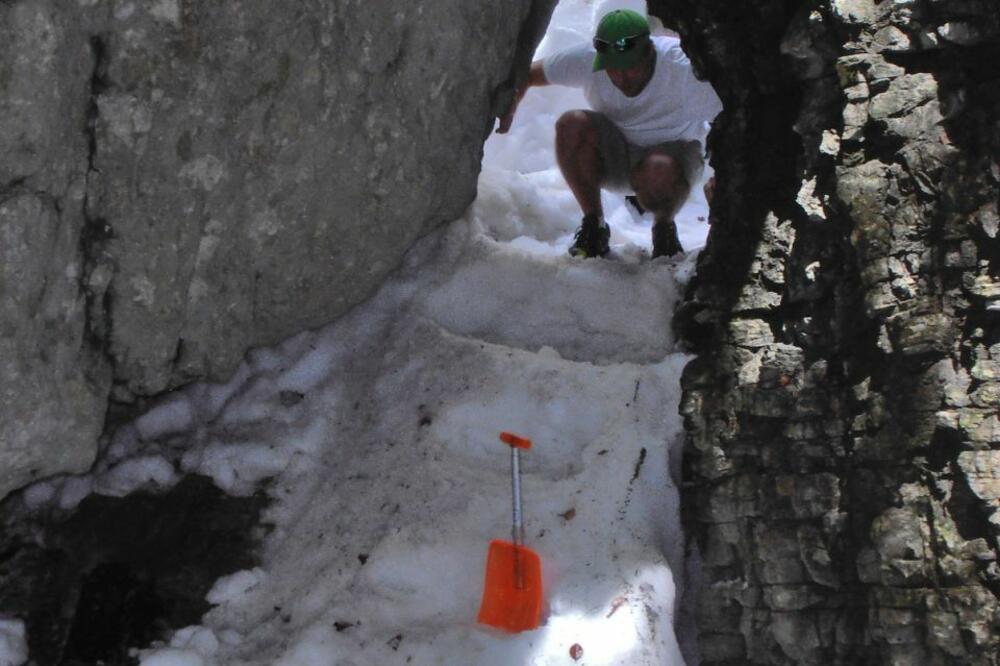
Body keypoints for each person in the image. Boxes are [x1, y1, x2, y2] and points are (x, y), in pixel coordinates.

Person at [497, 9, 722, 259]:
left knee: (658, 166)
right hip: (620, 155)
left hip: (675, 157)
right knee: (571, 124)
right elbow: (528, 74)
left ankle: (664, 229)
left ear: (650, 52)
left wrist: (724, 176)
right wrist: (510, 105)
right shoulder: (588, 60)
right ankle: (594, 226)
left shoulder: (682, 71)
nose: (621, 78)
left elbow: (736, 114)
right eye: (612, 68)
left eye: (630, 67)